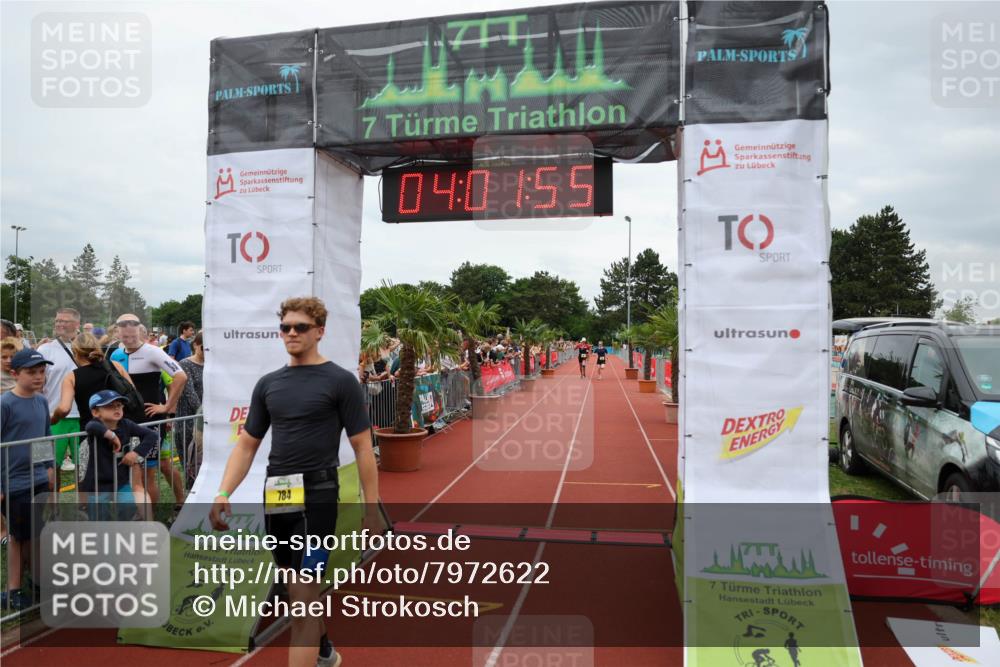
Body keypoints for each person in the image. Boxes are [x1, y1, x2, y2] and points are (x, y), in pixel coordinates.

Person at [210, 296, 379, 667]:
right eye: (285, 327)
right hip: (277, 496)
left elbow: (363, 447)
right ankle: (325, 651)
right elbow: (247, 445)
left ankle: (316, 654)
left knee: (300, 603)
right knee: (296, 591)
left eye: (300, 327)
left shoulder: (340, 381)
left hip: (317, 497)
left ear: (319, 331)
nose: (291, 333)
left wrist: (372, 507)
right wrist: (223, 491)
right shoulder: (268, 384)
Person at [110, 313, 187, 507]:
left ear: (139, 331)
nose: (128, 338)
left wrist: (168, 407)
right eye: (124, 334)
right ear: (118, 333)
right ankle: (138, 515)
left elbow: (180, 376)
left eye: (132, 334)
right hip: (125, 421)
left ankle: (151, 520)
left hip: (149, 422)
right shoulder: (115, 354)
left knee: (148, 473)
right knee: (132, 471)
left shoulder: (153, 351)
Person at [1, 349, 55, 610]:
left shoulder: (42, 401)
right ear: (14, 374)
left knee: (36, 533)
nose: (38, 377)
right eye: (31, 372)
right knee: (17, 537)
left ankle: (36, 582)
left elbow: (44, 436)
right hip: (13, 483)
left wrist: (48, 467)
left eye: (42, 372)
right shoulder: (5, 404)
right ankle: (12, 589)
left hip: (37, 479)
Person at [50, 333, 138, 495]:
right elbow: (133, 394)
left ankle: (89, 518)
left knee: (89, 485)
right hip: (123, 431)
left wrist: (52, 420)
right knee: (130, 484)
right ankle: (139, 518)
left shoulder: (72, 377)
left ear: (75, 353)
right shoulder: (115, 365)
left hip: (92, 437)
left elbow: (63, 408)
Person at [80, 390, 158, 517]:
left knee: (128, 508)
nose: (116, 409)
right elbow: (90, 426)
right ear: (95, 412)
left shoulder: (126, 424)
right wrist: (111, 436)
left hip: (121, 480)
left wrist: (136, 453)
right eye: (110, 406)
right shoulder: (95, 425)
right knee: (100, 518)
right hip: (97, 484)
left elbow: (151, 435)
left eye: (119, 405)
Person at [37, 307, 82, 471]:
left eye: (64, 321)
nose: (59, 324)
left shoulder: (87, 348)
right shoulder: (44, 349)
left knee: (84, 468)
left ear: (77, 324)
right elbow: (38, 385)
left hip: (83, 417)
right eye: (57, 320)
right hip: (53, 417)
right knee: (48, 469)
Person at [176, 331, 204, 488]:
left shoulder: (212, 365)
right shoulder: (185, 364)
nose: (206, 351)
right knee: (190, 462)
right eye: (203, 347)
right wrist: (205, 414)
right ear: (195, 345)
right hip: (188, 421)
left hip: (205, 420)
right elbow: (190, 393)